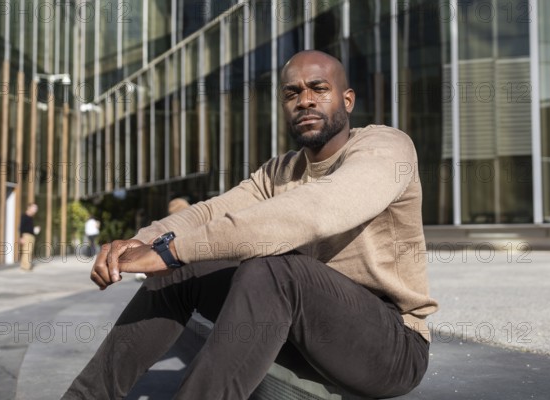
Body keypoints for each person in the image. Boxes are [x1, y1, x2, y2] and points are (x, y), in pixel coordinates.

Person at [63, 50, 438, 399]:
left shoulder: (386, 147)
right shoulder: (280, 171)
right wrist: (140, 242)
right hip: (306, 331)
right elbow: (207, 214)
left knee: (274, 270)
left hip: (391, 347)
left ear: (347, 100)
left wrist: (172, 251)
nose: (304, 100)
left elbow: (315, 210)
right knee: (183, 273)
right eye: (292, 93)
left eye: (318, 89)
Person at [19, 203, 39, 271]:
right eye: (34, 208)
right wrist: (21, 237)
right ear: (29, 208)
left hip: (31, 236)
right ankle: (26, 267)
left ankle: (25, 266)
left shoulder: (31, 217)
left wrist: (35, 229)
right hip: (26, 236)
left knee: (29, 252)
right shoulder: (24, 216)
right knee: (27, 251)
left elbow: (30, 228)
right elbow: (21, 227)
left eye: (36, 208)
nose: (35, 210)